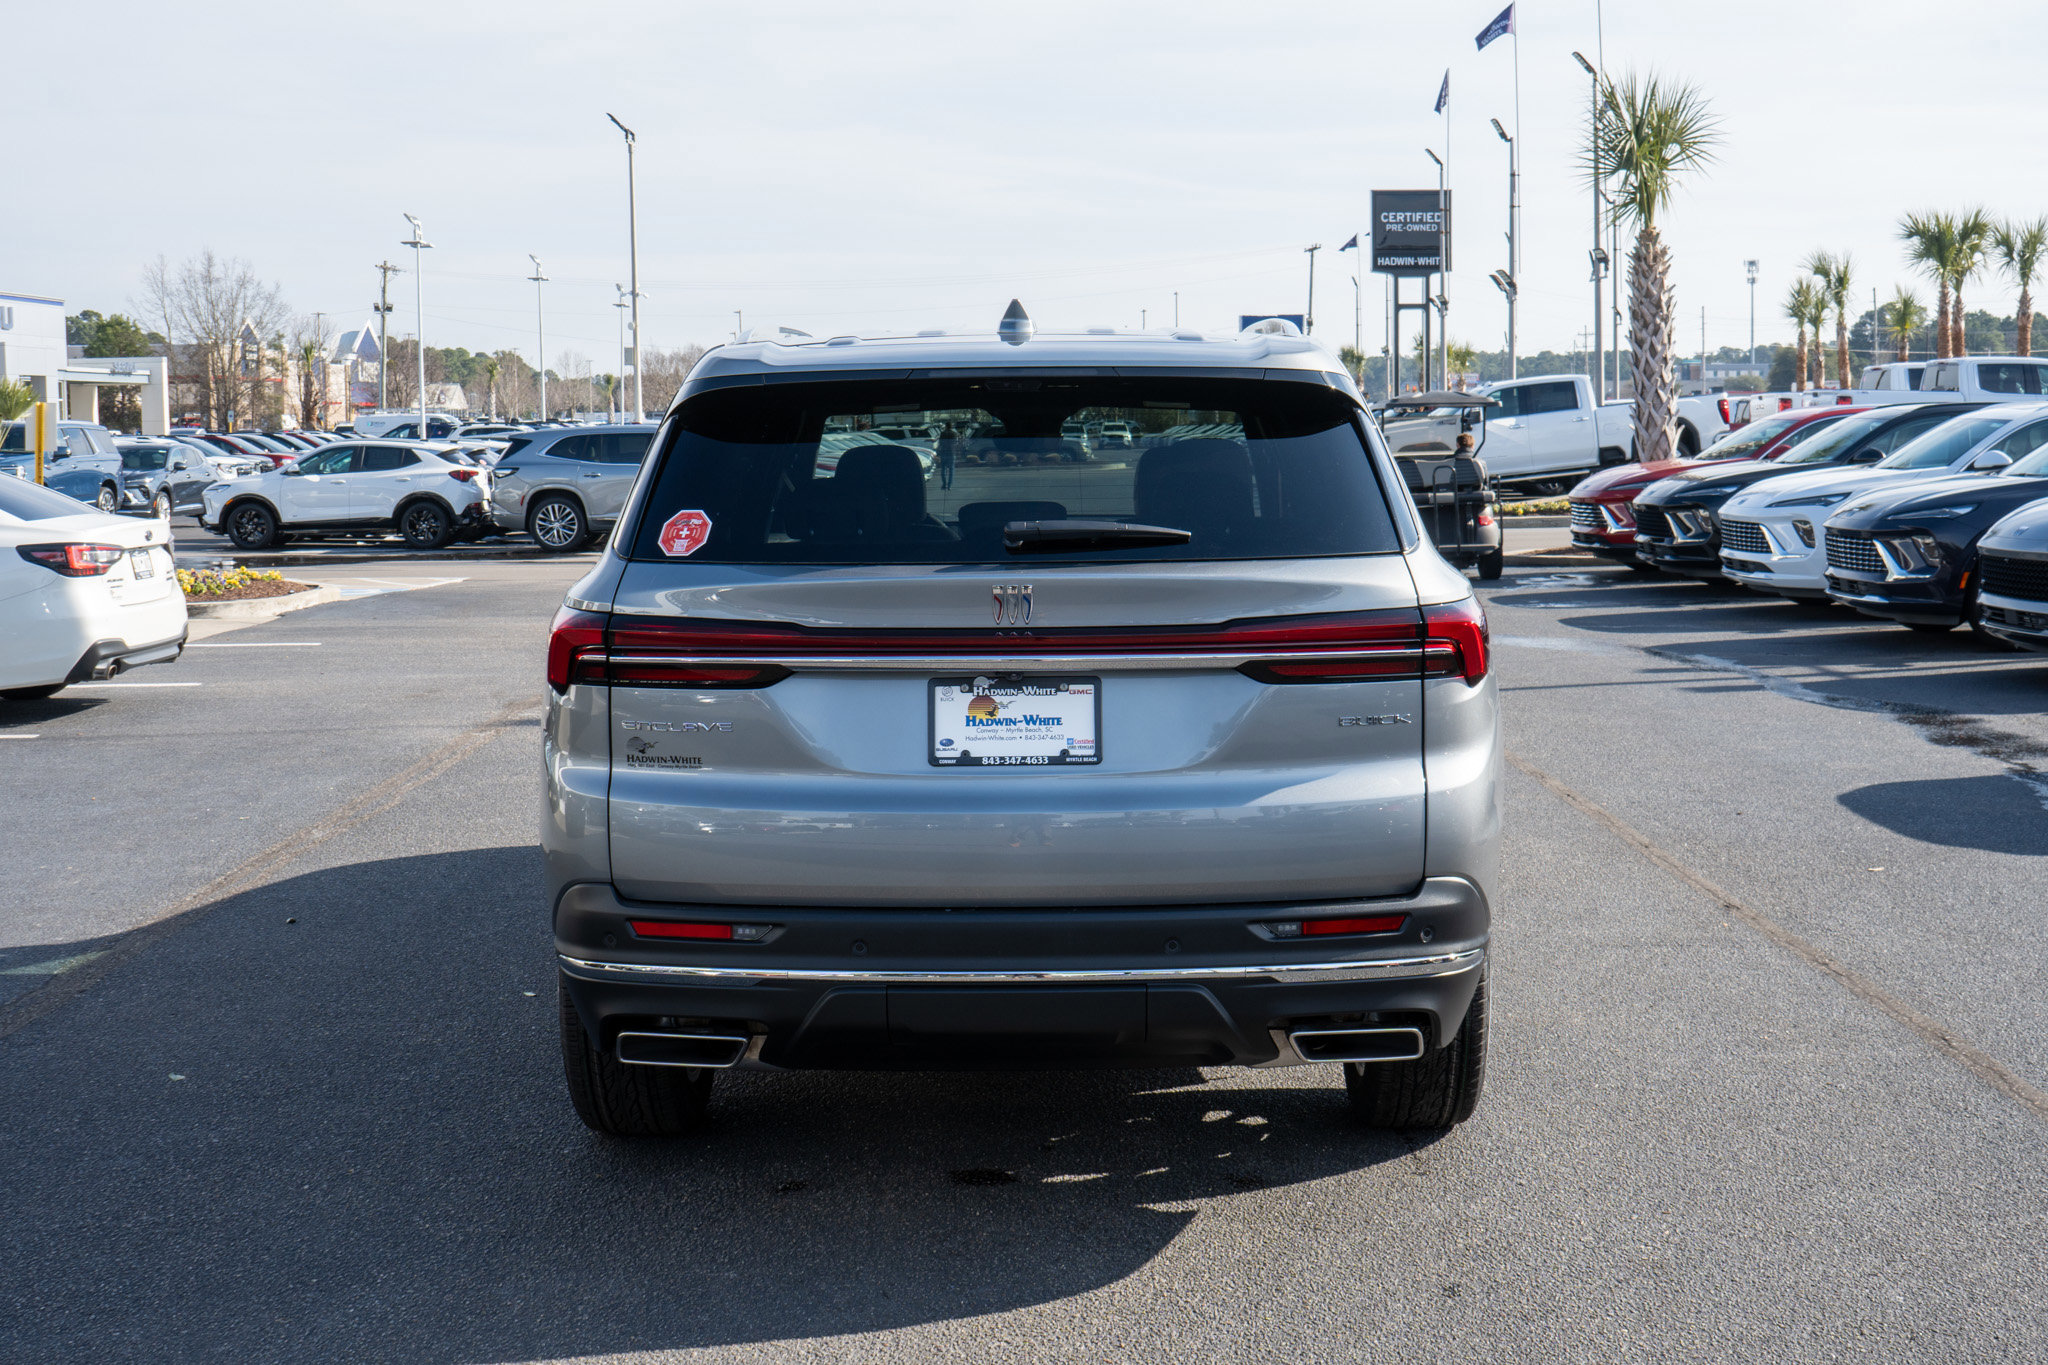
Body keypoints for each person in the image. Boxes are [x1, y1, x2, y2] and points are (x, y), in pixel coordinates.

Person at [937, 424, 959, 490]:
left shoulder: (942, 433)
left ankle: (944, 484)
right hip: (951, 453)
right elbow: (956, 443)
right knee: (951, 470)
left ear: (946, 426)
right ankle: (949, 485)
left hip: (943, 452)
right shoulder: (954, 434)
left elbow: (940, 443)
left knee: (943, 469)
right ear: (951, 427)